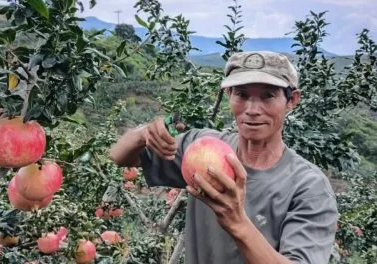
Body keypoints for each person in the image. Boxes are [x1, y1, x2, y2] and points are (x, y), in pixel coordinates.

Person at [109, 51, 338, 264]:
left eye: (268, 96)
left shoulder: (308, 187)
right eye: (241, 94)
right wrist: (143, 135)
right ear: (228, 94)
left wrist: (237, 222)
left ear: (292, 100)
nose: (252, 109)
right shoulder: (200, 147)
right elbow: (119, 157)